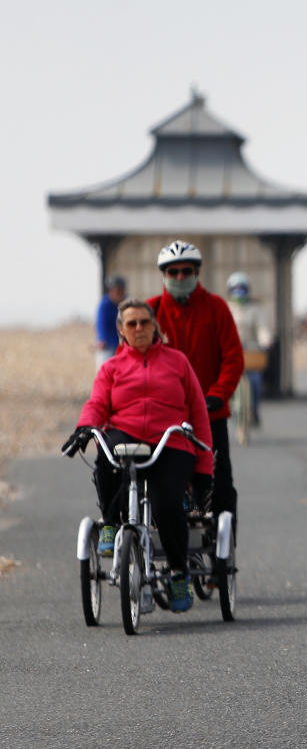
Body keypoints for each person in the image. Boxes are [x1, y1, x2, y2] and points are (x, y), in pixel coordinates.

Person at [65, 298, 214, 612]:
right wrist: (85, 427)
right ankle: (110, 523)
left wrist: (203, 466)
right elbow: (96, 405)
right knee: (105, 461)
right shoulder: (111, 368)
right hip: (126, 432)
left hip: (170, 440)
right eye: (131, 324)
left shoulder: (177, 362)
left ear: (154, 326)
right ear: (121, 330)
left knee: (167, 505)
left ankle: (177, 571)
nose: (139, 328)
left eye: (144, 322)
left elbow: (199, 414)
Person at [148, 240, 244, 524]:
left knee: (220, 484)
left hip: (209, 413)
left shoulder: (216, 308)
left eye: (186, 271)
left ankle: (223, 556)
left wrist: (218, 394)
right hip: (163, 417)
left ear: (197, 273)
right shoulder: (149, 312)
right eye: (173, 271)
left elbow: (233, 359)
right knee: (151, 481)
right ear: (163, 274)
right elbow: (128, 360)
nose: (180, 277)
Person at [226, 272, 274, 427]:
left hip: (250, 350)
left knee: (255, 380)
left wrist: (265, 341)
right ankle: (229, 406)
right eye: (236, 288)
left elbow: (262, 329)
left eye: (242, 288)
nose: (239, 292)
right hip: (231, 351)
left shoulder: (255, 309)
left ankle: (254, 409)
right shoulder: (226, 308)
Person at [94, 275, 126, 367]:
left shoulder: (127, 303)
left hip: (123, 345)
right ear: (111, 292)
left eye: (121, 291)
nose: (119, 294)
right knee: (105, 368)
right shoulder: (104, 304)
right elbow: (100, 323)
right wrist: (102, 339)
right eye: (117, 291)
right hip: (108, 345)